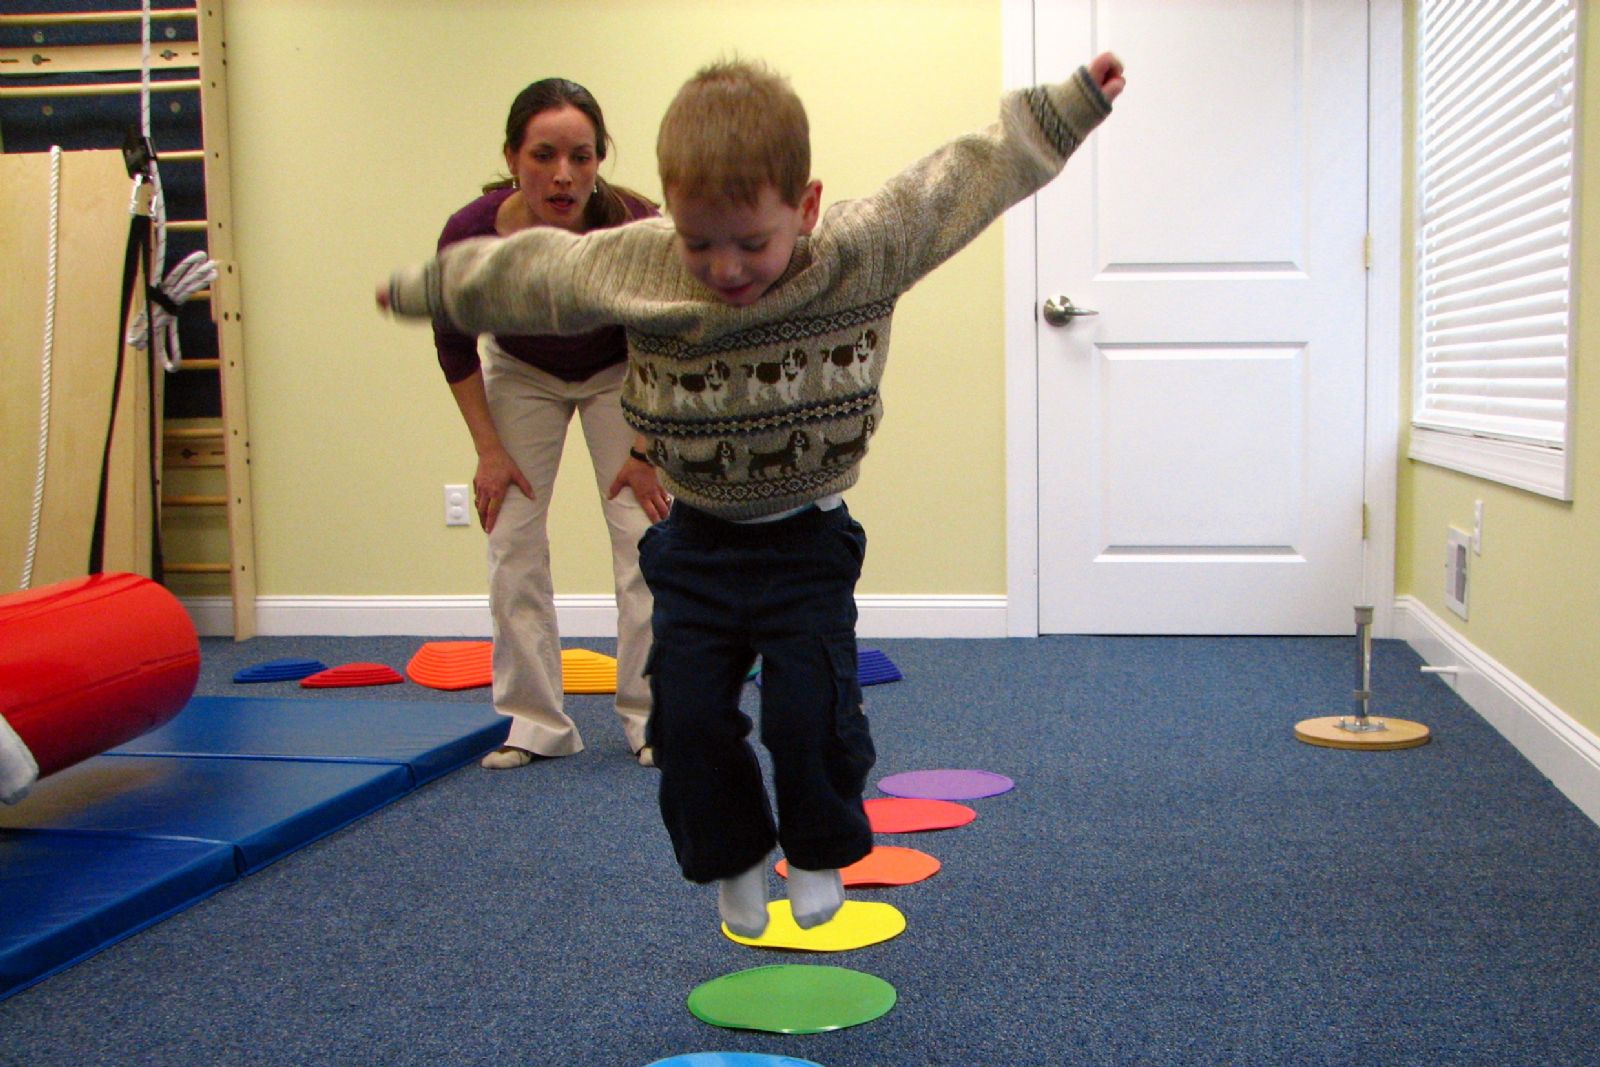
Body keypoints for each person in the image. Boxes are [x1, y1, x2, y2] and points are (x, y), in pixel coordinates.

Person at [384, 53, 1126, 931]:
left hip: (806, 540)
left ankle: (815, 848)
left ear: (806, 207)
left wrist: (1070, 106)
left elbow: (963, 179)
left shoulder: (859, 249)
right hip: (696, 543)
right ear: (670, 212)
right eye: (699, 243)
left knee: (811, 714)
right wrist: (433, 287)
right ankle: (734, 854)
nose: (725, 268)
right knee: (687, 720)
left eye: (751, 243)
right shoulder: (643, 259)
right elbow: (541, 272)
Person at [432, 78, 668, 770]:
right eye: (543, 156)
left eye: (581, 157)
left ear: (600, 160)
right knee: (511, 536)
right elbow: (454, 346)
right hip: (522, 369)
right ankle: (535, 723)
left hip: (623, 371)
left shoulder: (636, 227)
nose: (563, 175)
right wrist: (489, 452)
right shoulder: (470, 235)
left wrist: (646, 451)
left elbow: (671, 340)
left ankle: (654, 718)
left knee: (645, 535)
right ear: (512, 157)